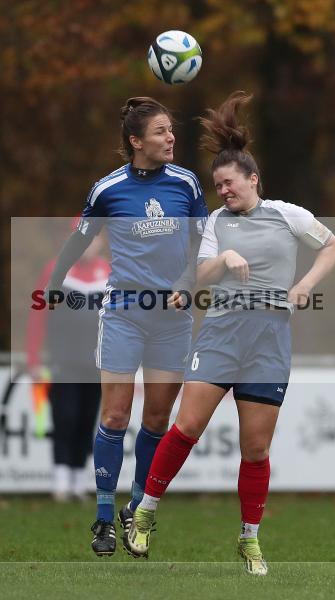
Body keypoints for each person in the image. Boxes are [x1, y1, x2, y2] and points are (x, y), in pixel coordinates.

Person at [124, 91, 335, 575]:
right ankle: (144, 514)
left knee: (256, 449)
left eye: (229, 183)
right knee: (186, 427)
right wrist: (223, 257)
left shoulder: (288, 215)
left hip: (269, 341)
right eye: (217, 185)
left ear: (252, 180)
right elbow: (198, 275)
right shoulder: (215, 224)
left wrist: (305, 285)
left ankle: (249, 540)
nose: (223, 191)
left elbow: (332, 246)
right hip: (221, 335)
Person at [42, 97, 208, 556]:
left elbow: (204, 244)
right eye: (160, 131)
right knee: (115, 416)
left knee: (156, 419)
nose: (170, 138)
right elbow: (79, 239)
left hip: (173, 320)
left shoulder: (187, 184)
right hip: (123, 314)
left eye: (171, 129)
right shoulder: (107, 189)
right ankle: (102, 518)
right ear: (136, 141)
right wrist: (54, 284)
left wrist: (187, 283)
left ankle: (135, 509)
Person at [26, 224, 110, 502]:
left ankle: (78, 479)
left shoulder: (108, 273)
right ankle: (60, 478)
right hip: (63, 358)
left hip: (96, 362)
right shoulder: (55, 270)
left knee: (88, 418)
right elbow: (38, 317)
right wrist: (33, 358)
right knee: (65, 416)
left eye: (92, 239)